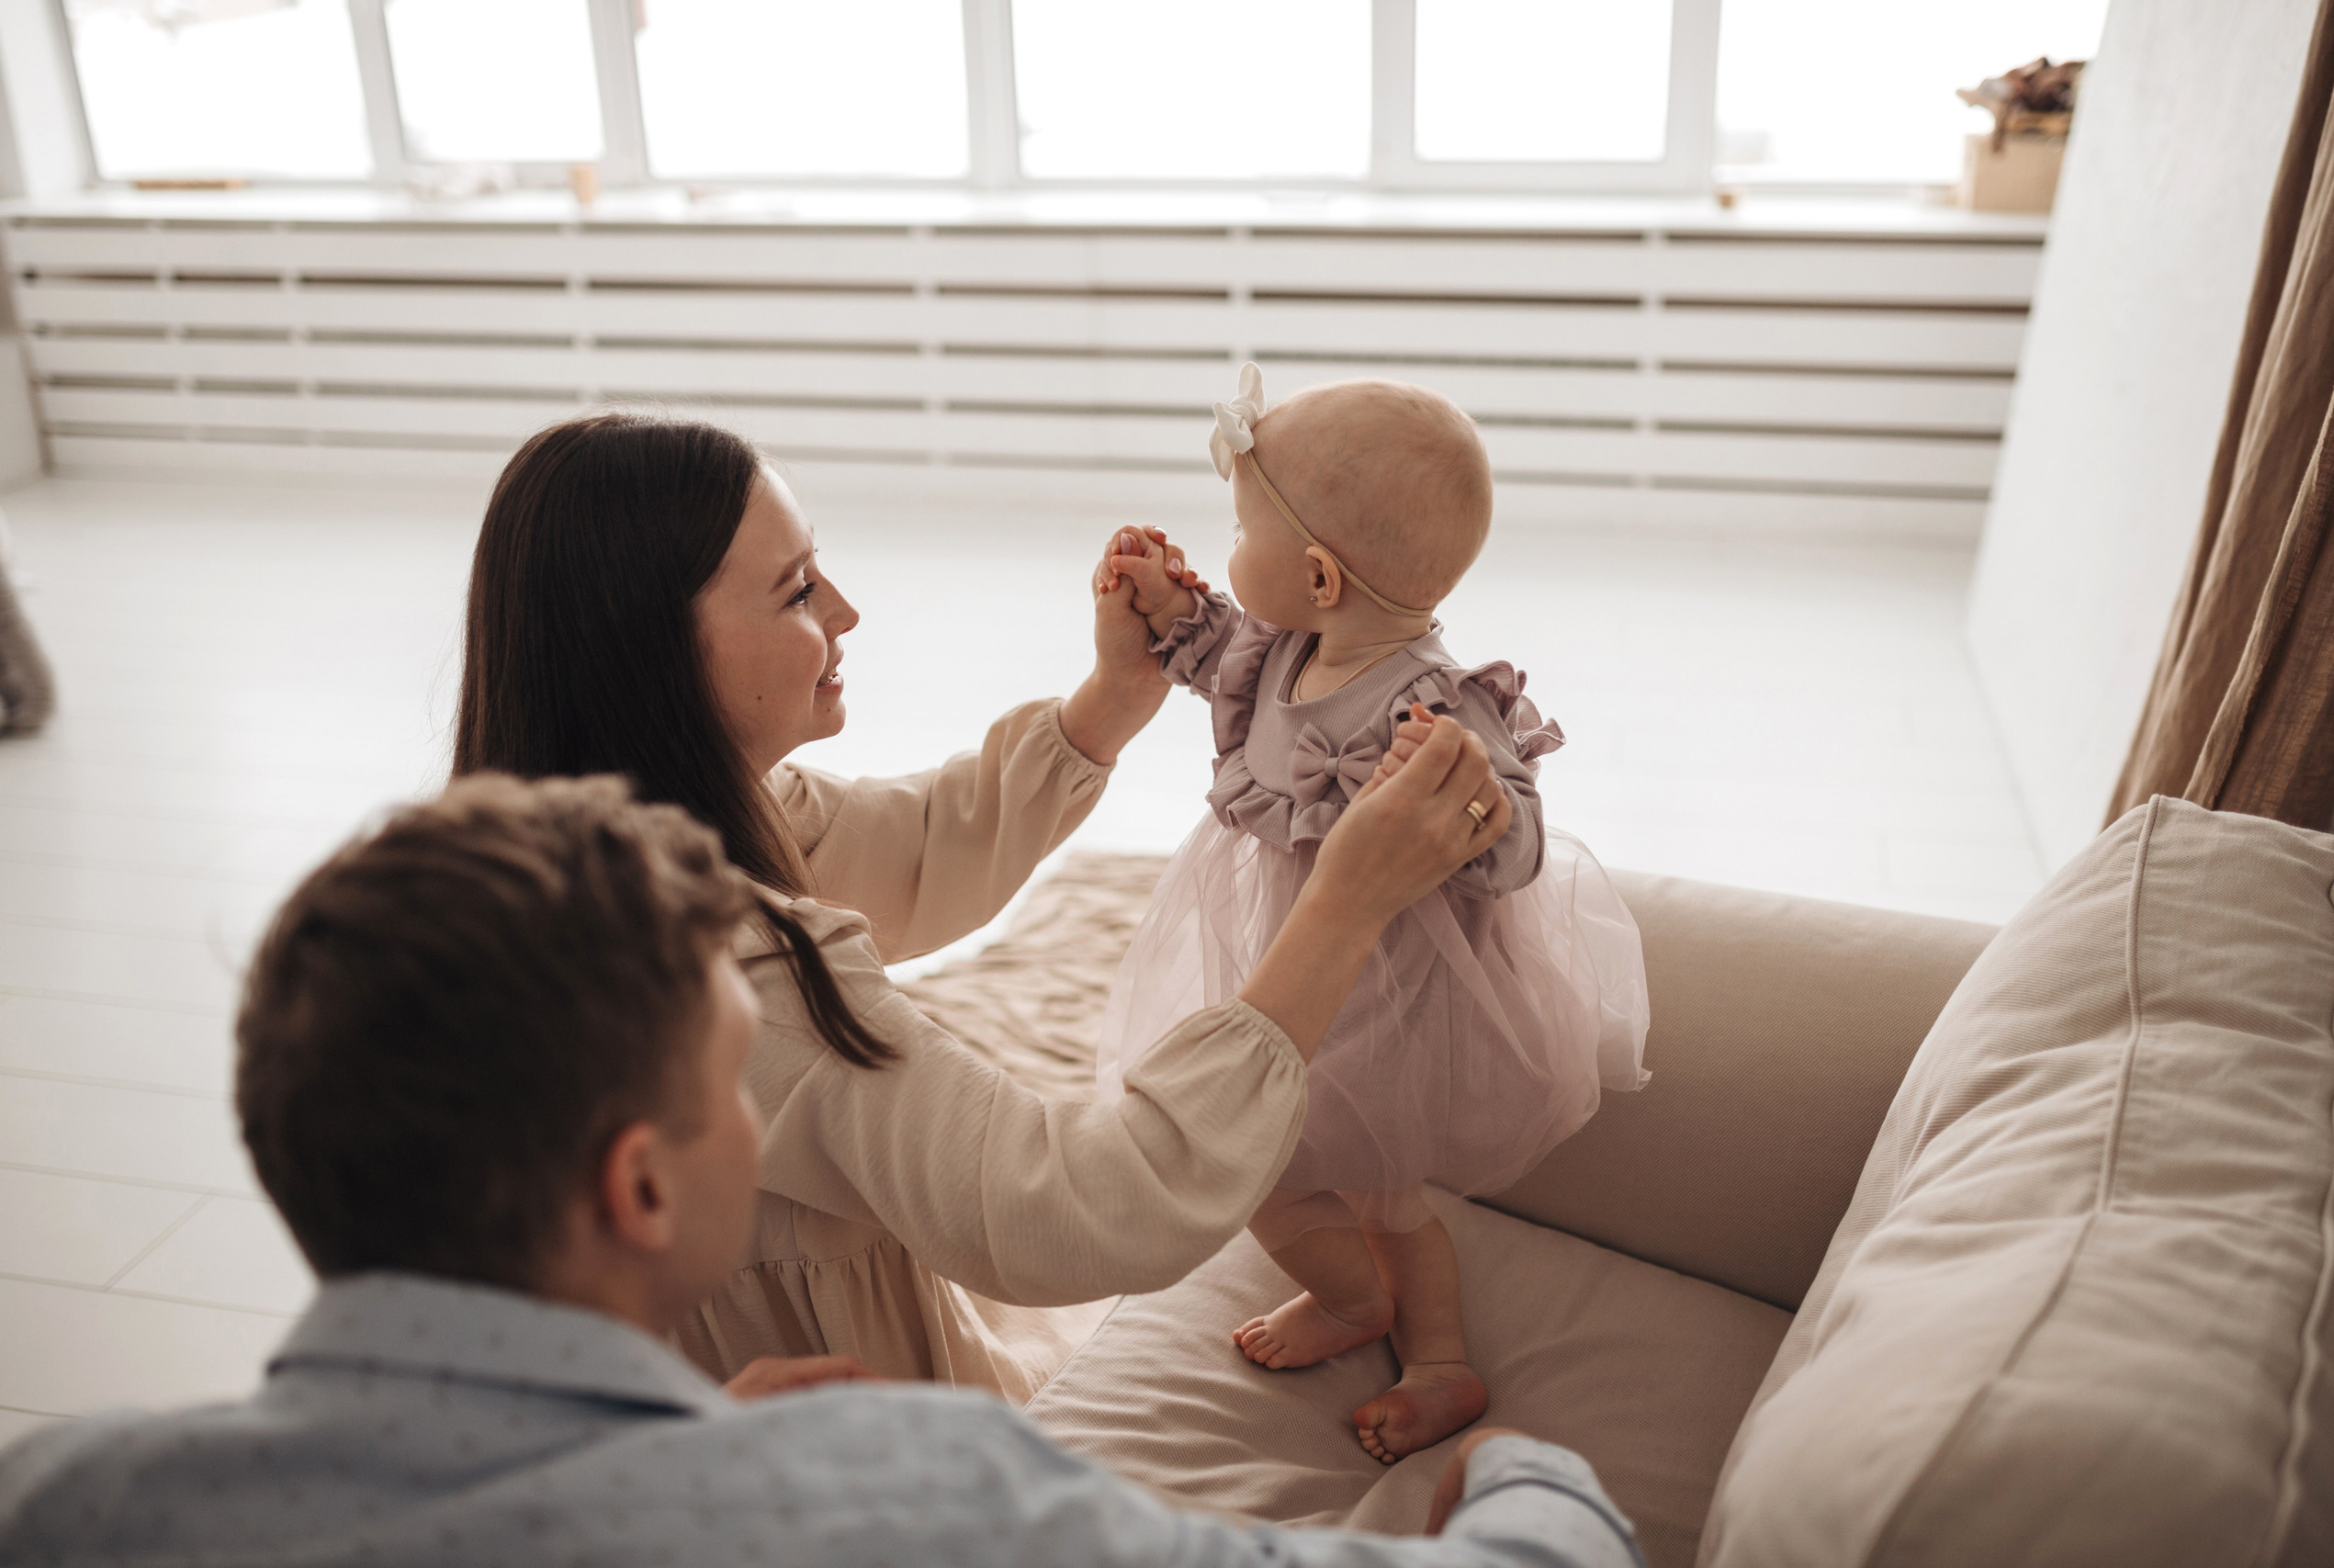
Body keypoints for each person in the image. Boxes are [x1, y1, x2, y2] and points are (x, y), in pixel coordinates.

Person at [0, 774, 1643, 1568]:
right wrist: (1526, 1477)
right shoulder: (920, 1497)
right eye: (734, 1084)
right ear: (642, 1188)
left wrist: (703, 1450)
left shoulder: (76, 1499)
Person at [448, 412, 1525, 1404]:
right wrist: (1343, 904)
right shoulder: (723, 980)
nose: (845, 611)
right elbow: (1079, 1209)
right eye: (795, 591)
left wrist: (1110, 701)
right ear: (653, 657)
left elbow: (920, 845)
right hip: (826, 1422)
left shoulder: (635, 832)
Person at [1096, 366, 1652, 1464]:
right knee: (1272, 1158)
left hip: (1390, 998)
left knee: (1349, 1185)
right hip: (1283, 958)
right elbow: (1221, 667)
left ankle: (1426, 1350)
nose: (1230, 545)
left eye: (1240, 527)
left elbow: (1521, 847)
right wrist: (1172, 615)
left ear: (1315, 573)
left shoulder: (1434, 707)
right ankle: (1359, 1299)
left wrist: (1475, 807)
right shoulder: (1287, 642)